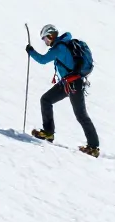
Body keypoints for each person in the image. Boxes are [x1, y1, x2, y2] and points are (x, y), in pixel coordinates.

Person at [26, 24, 100, 157]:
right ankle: (48, 132)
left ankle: (93, 147)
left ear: (50, 35)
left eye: (45, 39)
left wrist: (30, 51)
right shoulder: (62, 45)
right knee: (46, 100)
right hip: (68, 82)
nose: (45, 42)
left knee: (81, 115)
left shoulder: (59, 48)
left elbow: (42, 60)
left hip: (73, 84)